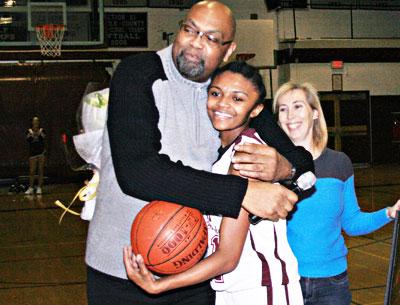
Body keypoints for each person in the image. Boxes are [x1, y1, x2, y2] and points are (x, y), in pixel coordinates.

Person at [85, 2, 313, 304]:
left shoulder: (231, 95)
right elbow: (138, 172)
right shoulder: (137, 74)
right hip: (121, 271)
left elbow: (304, 165)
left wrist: (284, 169)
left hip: (196, 272)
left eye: (211, 38)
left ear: (229, 50)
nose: (195, 43)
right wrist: (241, 192)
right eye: (190, 30)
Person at [123, 61, 303, 305]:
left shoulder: (247, 157)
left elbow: (228, 256)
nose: (223, 103)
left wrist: (159, 285)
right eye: (216, 93)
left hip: (263, 291)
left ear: (256, 110)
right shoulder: (217, 154)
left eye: (238, 99)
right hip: (230, 291)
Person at [272, 81, 400, 305]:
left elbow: (351, 222)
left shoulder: (339, 163)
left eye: (297, 106)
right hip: (285, 281)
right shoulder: (271, 166)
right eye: (283, 109)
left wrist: (388, 213)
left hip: (332, 284)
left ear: (314, 113)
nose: (290, 115)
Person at [25, 116, 46, 195]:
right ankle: (31, 187)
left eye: (37, 121)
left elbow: (42, 138)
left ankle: (39, 187)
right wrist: (32, 133)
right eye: (34, 121)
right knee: (32, 171)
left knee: (40, 170)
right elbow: (29, 139)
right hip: (32, 153)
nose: (35, 123)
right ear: (32, 122)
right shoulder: (28, 131)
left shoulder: (42, 130)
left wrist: (39, 132)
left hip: (41, 152)